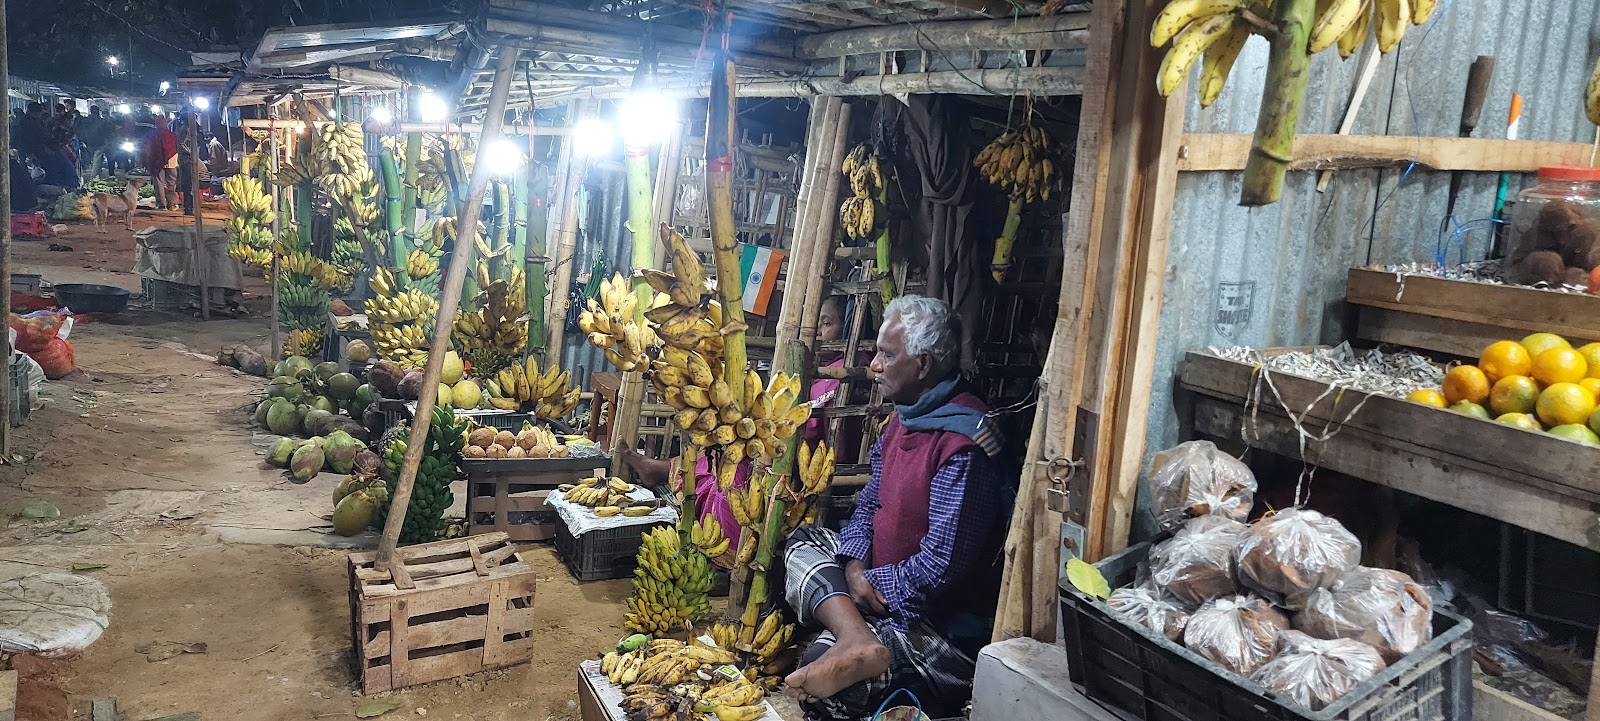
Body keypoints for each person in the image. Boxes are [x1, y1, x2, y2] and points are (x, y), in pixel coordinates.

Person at [780, 294, 1007, 721]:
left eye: (887, 355)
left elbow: (939, 567)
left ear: (922, 365)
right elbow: (870, 504)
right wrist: (853, 567)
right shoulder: (903, 419)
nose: (874, 366)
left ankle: (858, 639)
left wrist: (866, 583)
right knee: (802, 540)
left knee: (821, 683)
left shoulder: (964, 445)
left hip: (931, 621)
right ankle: (855, 635)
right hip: (873, 589)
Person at [619, 295, 862, 549]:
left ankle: (725, 544)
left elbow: (812, 433)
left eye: (828, 323)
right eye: (818, 323)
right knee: (719, 455)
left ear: (846, 329)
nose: (820, 332)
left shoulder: (840, 375)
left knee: (735, 468)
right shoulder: (820, 368)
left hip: (802, 463)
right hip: (780, 448)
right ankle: (660, 471)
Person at [143, 114, 179, 211]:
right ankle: (172, 204)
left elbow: (151, 150)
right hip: (172, 161)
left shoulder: (154, 135)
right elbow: (175, 148)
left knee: (159, 183)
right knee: (171, 183)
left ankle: (161, 204)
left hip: (158, 162)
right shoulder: (172, 135)